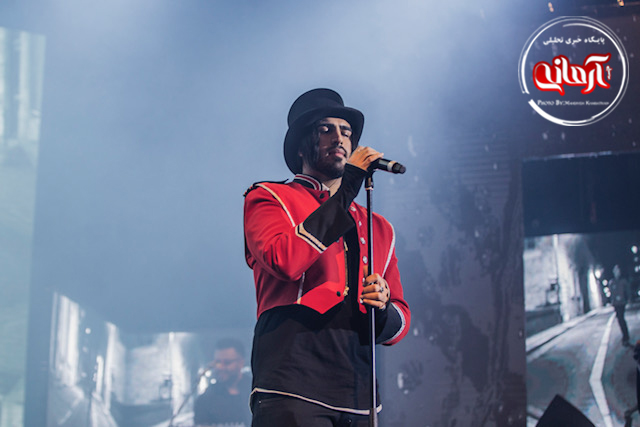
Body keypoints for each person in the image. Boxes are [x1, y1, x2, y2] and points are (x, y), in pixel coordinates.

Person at [243, 88, 411, 426]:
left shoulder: (380, 227)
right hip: (292, 382)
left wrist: (382, 305)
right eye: (326, 129)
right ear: (302, 145)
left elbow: (399, 324)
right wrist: (347, 189)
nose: (339, 138)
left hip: (358, 392)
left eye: (346, 132)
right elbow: (284, 260)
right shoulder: (270, 197)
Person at [193, 338, 251, 427]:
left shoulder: (254, 391)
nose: (220, 367)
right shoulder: (206, 399)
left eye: (227, 362)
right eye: (217, 362)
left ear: (241, 363)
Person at [610, 264, 631, 347]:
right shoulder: (612, 282)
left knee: (621, 319)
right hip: (616, 304)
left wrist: (627, 299)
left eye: (618, 271)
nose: (617, 272)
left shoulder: (623, 281)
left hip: (622, 303)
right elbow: (611, 293)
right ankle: (625, 336)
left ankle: (626, 337)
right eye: (615, 271)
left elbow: (627, 291)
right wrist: (612, 301)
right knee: (620, 320)